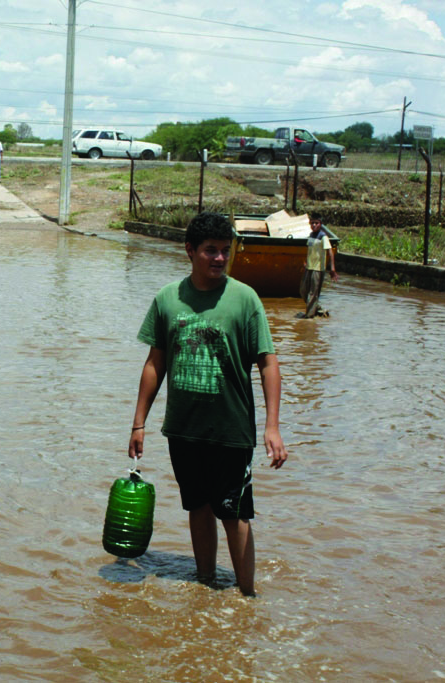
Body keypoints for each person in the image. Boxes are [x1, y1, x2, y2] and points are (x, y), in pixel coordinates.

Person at [128, 212, 288, 597]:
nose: (219, 259)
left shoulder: (244, 299)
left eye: (225, 251)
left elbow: (268, 363)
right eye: (210, 251)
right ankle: (206, 586)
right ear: (190, 251)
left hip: (231, 430)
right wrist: (138, 423)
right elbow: (155, 364)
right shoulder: (168, 299)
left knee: (234, 513)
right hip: (183, 429)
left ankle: (248, 597)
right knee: (197, 508)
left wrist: (272, 426)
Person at [300, 213, 338, 318]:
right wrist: (305, 262)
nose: (314, 225)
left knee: (313, 293)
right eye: (312, 223)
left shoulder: (323, 237)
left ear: (320, 224)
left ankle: (309, 316)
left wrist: (332, 268)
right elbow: (309, 250)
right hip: (309, 267)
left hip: (318, 269)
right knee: (303, 291)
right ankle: (316, 309)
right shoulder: (311, 236)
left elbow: (330, 251)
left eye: (316, 223)